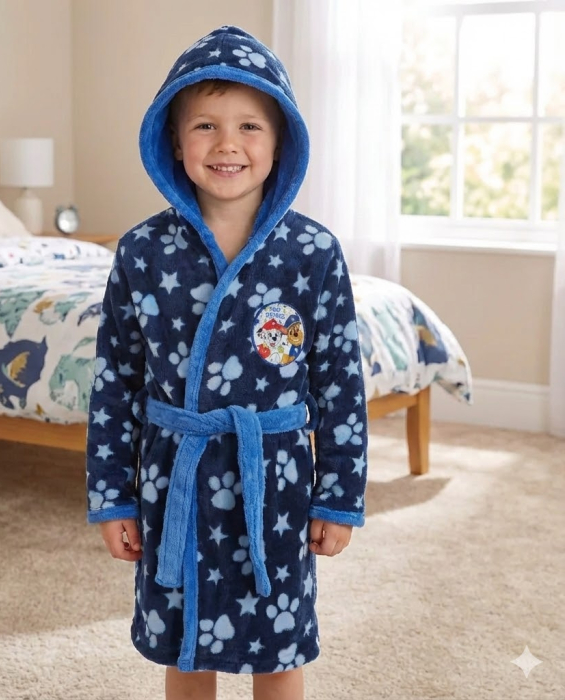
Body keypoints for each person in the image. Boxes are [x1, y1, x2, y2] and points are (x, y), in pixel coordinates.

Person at [86, 25, 368, 700]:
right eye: (205, 126)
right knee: (185, 640)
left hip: (274, 481)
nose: (227, 144)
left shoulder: (313, 253)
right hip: (175, 478)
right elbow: (114, 382)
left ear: (281, 142)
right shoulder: (142, 251)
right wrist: (111, 496)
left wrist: (339, 497)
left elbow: (340, 383)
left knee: (279, 640)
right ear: (173, 142)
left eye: (250, 126)